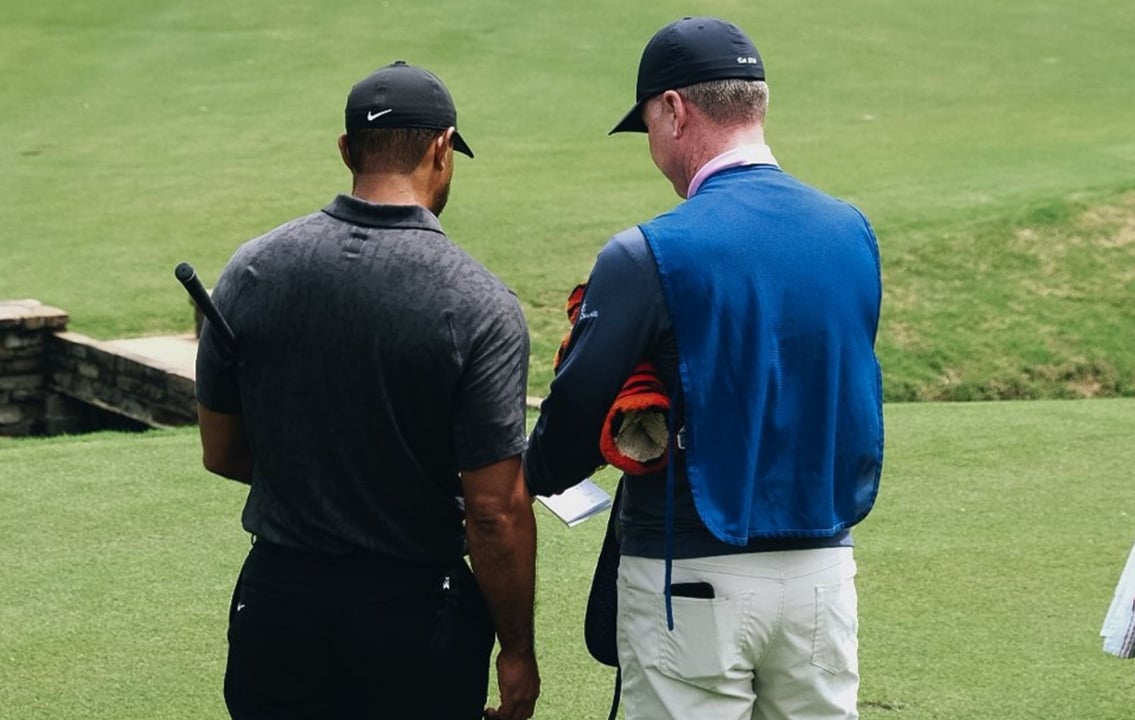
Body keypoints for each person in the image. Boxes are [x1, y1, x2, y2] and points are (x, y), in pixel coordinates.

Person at [524, 17, 884, 720]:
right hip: (824, 578)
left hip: (688, 575)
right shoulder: (853, 232)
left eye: (650, 125)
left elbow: (568, 431)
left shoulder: (647, 253)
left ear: (674, 110)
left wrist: (526, 476)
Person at [194, 60, 538, 720]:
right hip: (413, 616)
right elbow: (494, 512)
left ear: (348, 150)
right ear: (443, 148)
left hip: (276, 605)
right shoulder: (479, 304)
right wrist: (516, 651)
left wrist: (319, 484)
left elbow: (222, 451)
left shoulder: (253, 270)